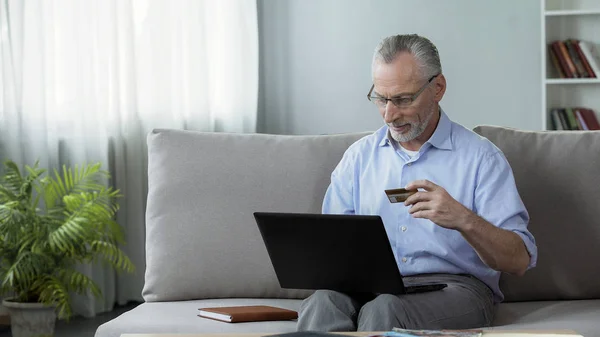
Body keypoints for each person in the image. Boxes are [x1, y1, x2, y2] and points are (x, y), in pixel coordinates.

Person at [296, 34, 537, 332]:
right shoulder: (358, 158)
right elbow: (328, 250)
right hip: (369, 287)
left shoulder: (482, 158)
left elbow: (518, 260)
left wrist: (464, 220)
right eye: (381, 98)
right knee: (322, 303)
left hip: (456, 289)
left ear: (438, 88)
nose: (389, 114)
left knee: (386, 309)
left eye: (403, 99)